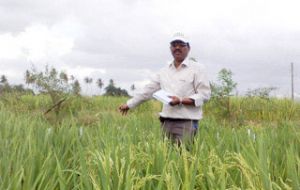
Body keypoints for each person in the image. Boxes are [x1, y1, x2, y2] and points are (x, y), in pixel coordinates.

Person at [119, 32, 211, 145]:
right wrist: (129, 104)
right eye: (174, 45)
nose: (177, 47)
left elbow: (204, 95)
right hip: (166, 122)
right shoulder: (164, 71)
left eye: (181, 44)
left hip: (187, 123)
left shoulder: (197, 69)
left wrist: (181, 100)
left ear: (188, 48)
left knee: (184, 159)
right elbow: (148, 90)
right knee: (167, 159)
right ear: (170, 48)